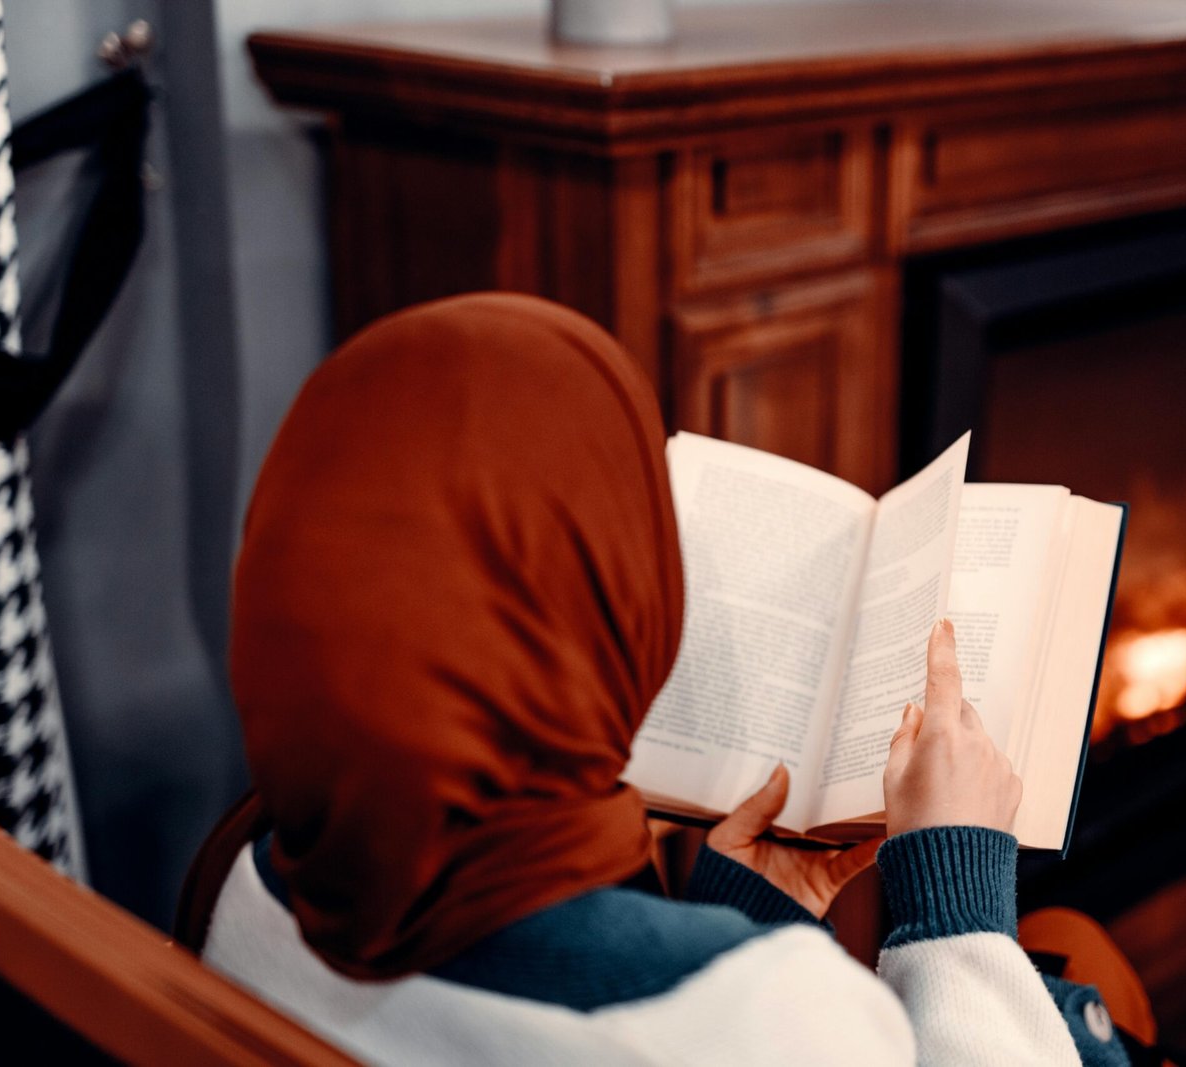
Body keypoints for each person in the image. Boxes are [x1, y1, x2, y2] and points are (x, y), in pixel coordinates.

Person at [192, 293, 1133, 1066]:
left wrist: (730, 920)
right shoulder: (779, 1017)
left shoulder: (245, 893)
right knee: (1090, 960)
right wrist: (954, 903)